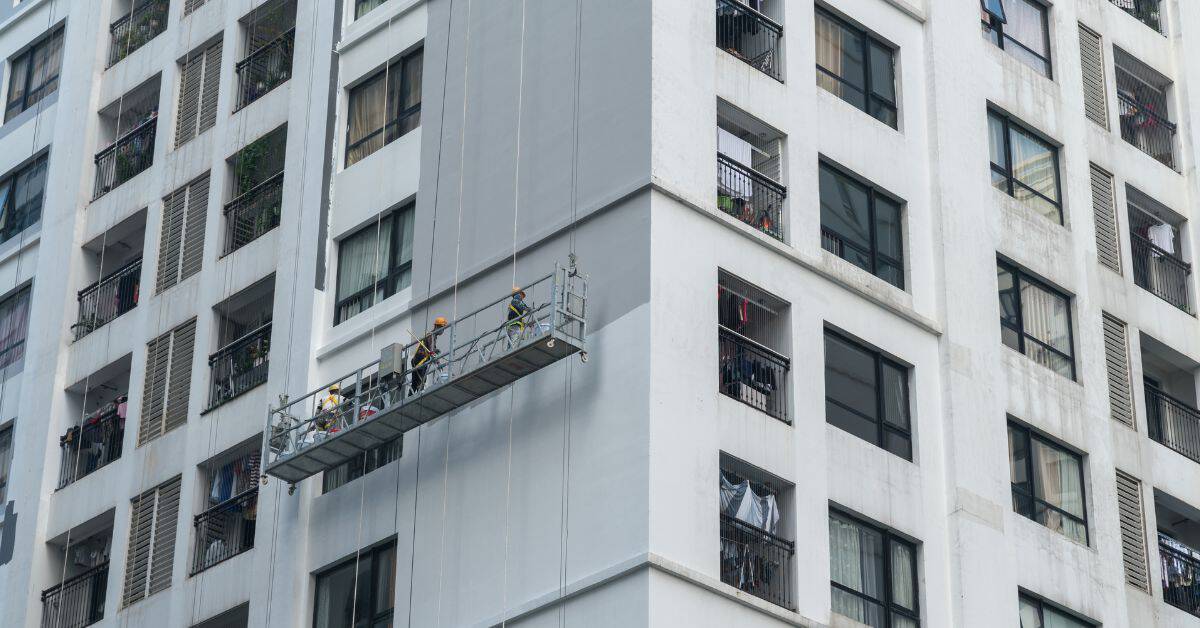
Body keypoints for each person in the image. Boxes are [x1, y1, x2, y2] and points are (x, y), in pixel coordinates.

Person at [410, 317, 447, 394]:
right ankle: (418, 395)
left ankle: (413, 395)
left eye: (443, 328)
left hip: (420, 360)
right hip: (420, 359)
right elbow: (431, 350)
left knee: (416, 381)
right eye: (442, 328)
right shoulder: (431, 335)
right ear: (436, 326)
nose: (443, 331)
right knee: (421, 379)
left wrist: (437, 361)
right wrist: (437, 363)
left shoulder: (433, 336)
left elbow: (432, 350)